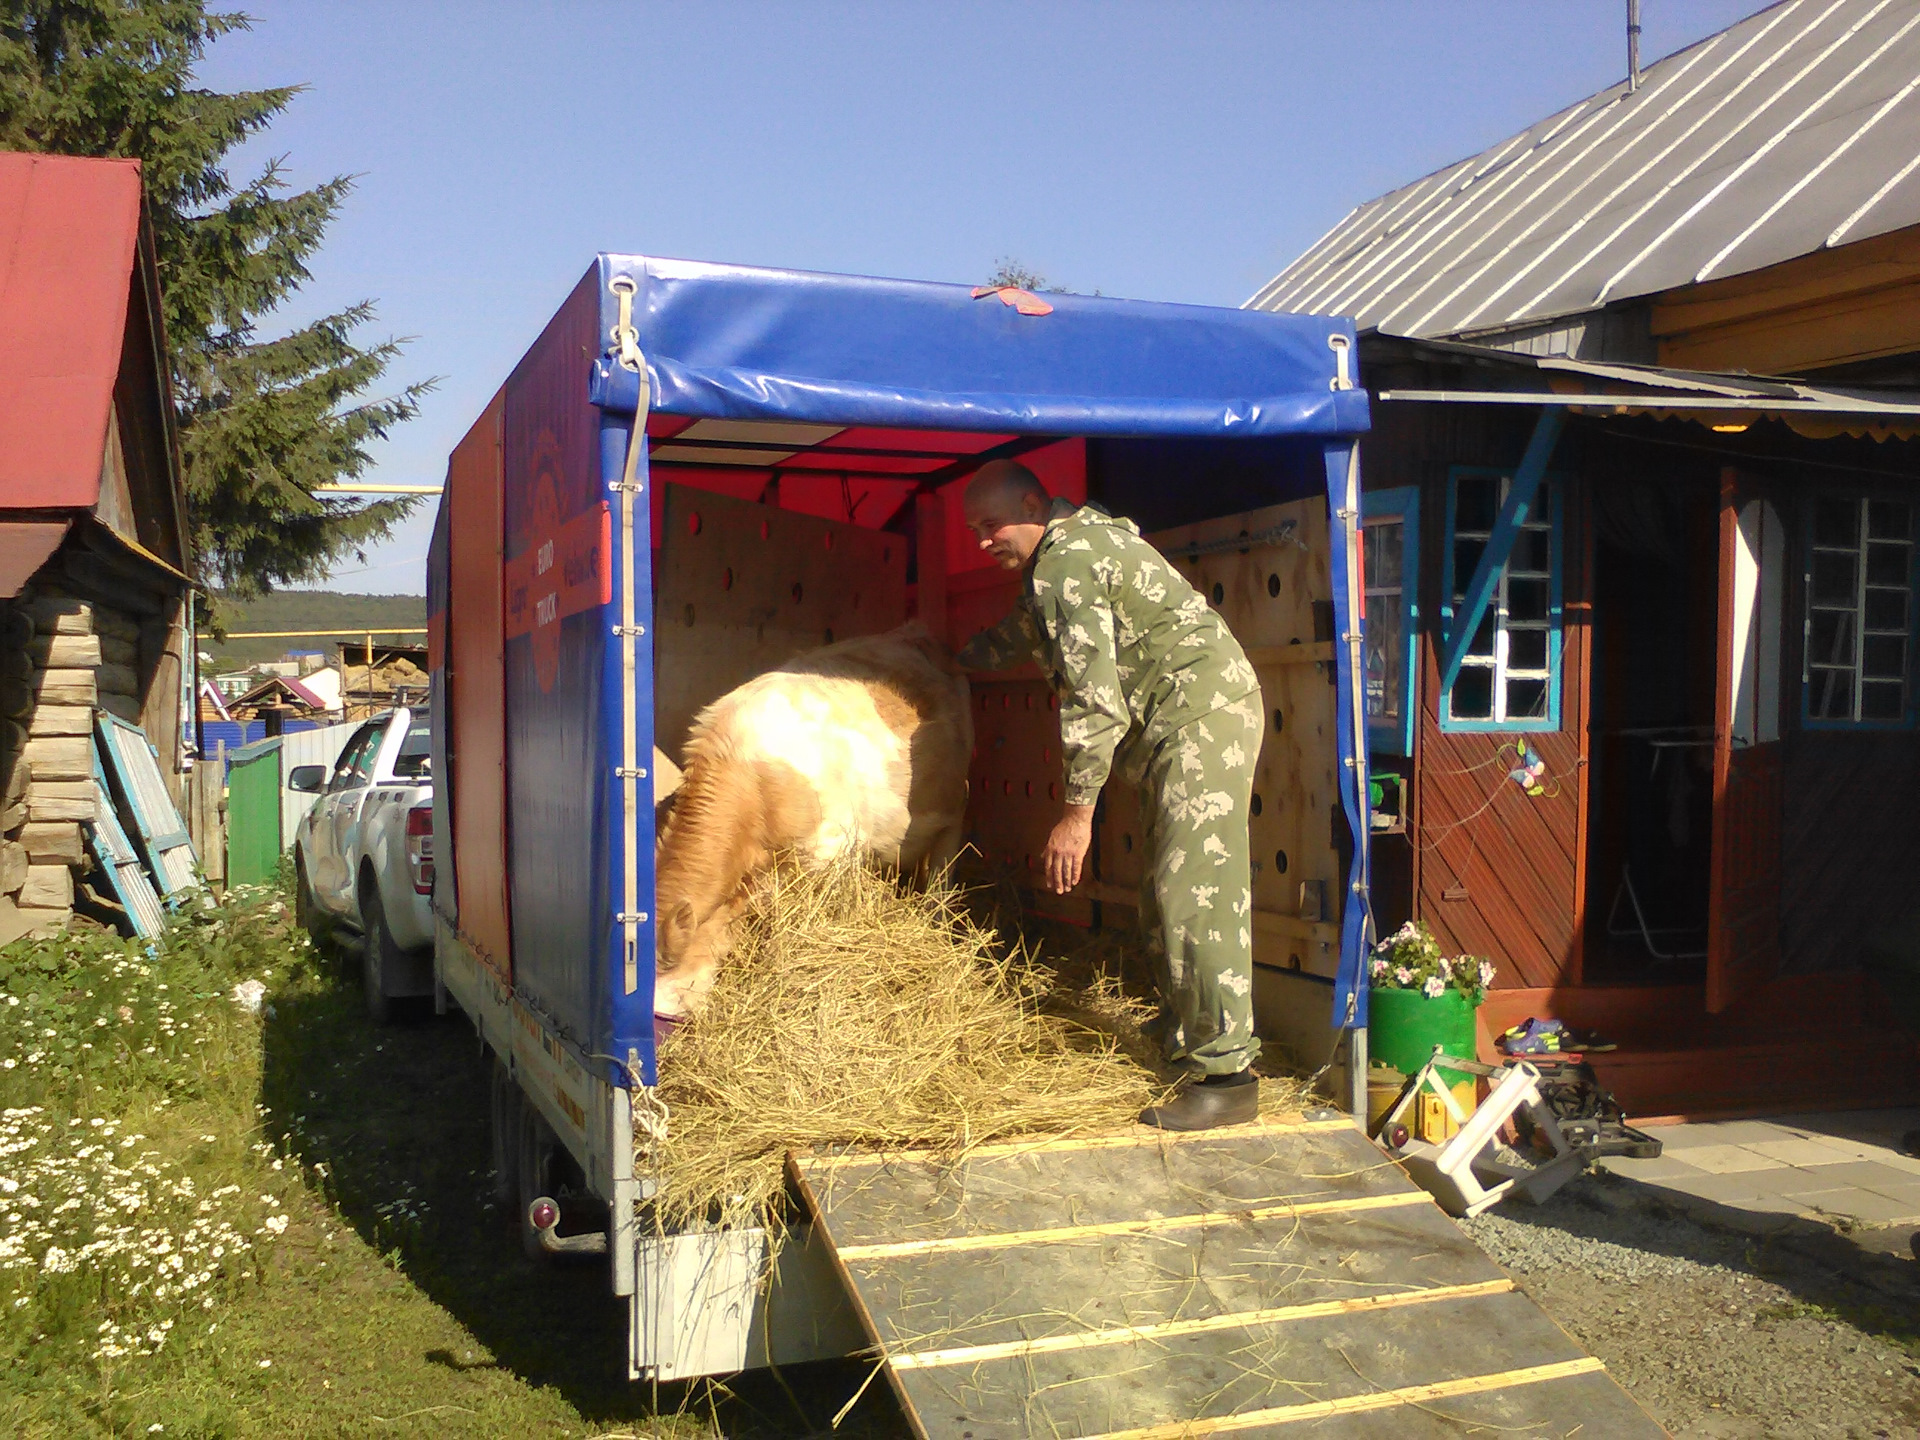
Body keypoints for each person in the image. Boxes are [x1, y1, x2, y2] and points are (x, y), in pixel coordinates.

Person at [956, 460, 1265, 1131]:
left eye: (991, 524)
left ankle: (1227, 1076)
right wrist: (942, 656)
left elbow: (1096, 704)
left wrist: (1075, 817)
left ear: (1033, 503)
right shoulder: (1058, 559)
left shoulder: (1067, 563)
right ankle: (1189, 1039)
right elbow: (1018, 635)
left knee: (1196, 894)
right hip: (1180, 724)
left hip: (1200, 716)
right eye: (974, 530)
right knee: (1166, 890)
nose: (983, 540)